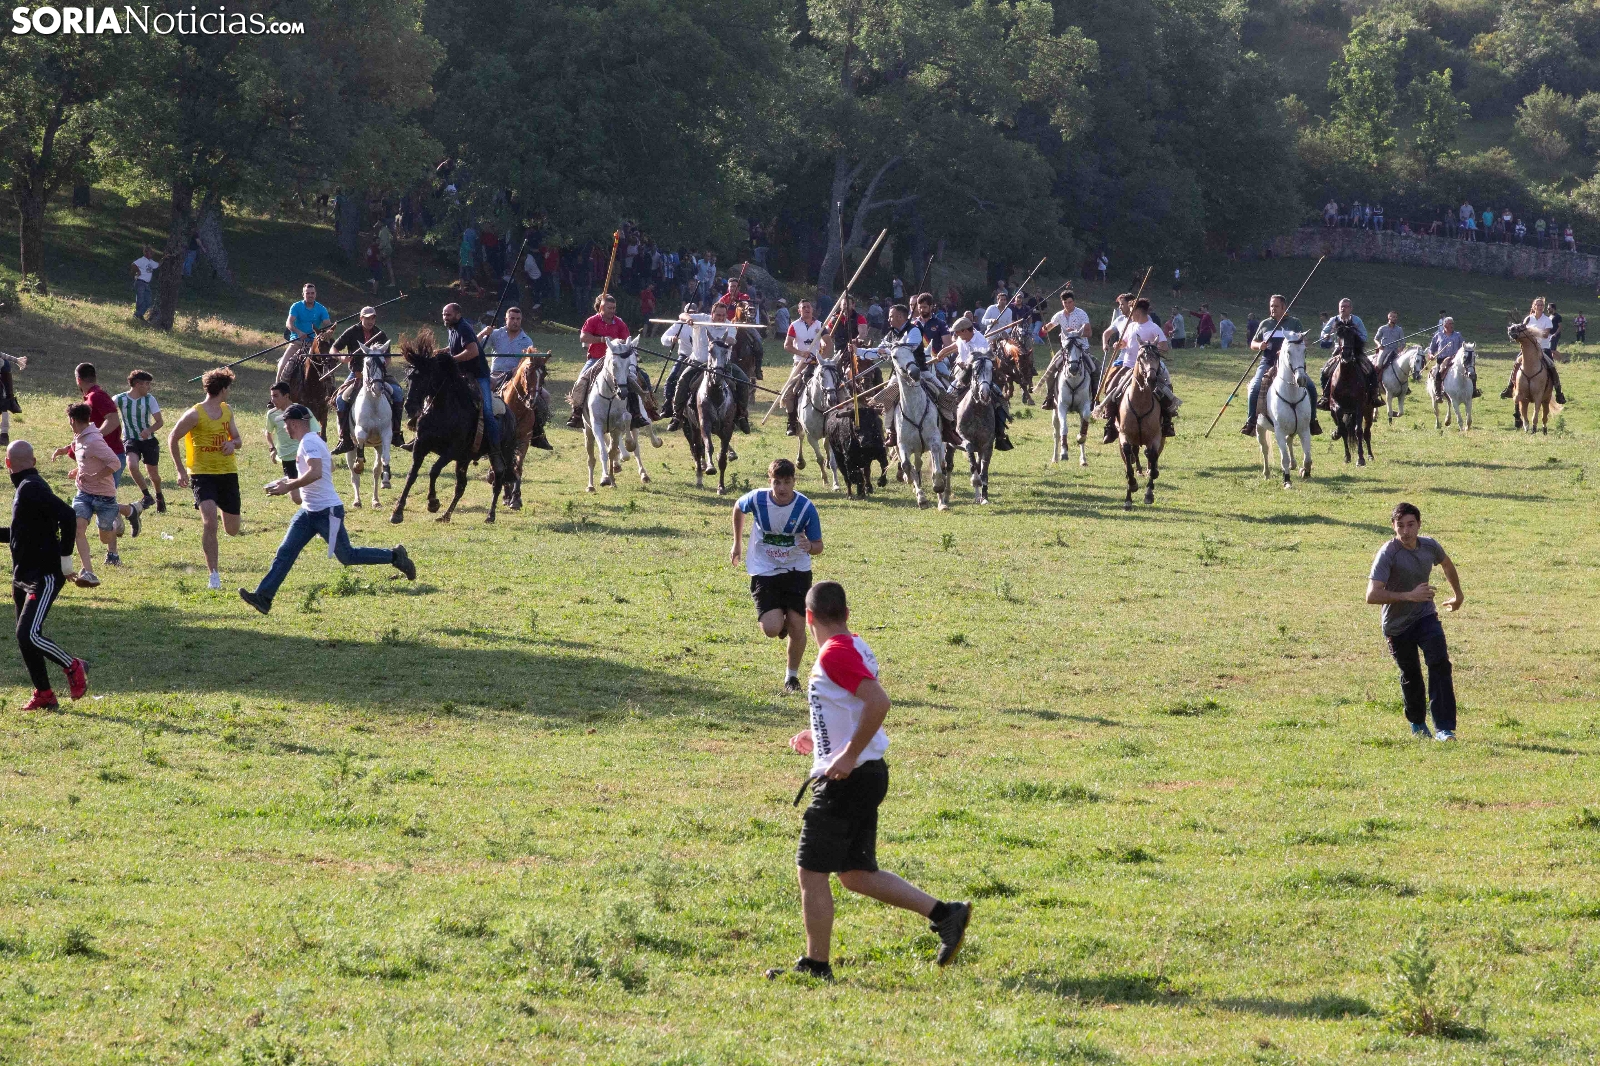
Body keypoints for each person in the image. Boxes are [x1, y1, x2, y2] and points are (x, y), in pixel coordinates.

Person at [768, 579, 971, 981]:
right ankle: (946, 914)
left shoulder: (835, 652)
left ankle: (816, 966)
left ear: (808, 617)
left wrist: (846, 754)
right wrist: (821, 736)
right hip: (864, 774)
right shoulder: (854, 645)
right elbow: (851, 704)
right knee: (855, 874)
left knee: (811, 871)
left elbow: (878, 702)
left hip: (849, 778)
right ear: (845, 613)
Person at [238, 405, 415, 614]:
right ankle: (263, 597)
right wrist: (288, 481)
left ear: (293, 423)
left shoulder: (309, 442)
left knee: (347, 556)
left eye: (285, 424)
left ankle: (395, 556)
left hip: (327, 512)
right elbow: (328, 467)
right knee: (286, 552)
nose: (284, 429)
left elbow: (316, 473)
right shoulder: (313, 441)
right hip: (308, 511)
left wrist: (290, 486)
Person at [0, 440, 89, 709]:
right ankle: (44, 694)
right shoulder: (28, 488)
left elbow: (68, 515)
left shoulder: (31, 487)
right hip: (23, 576)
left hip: (44, 576)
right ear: (35, 462)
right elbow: (20, 534)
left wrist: (65, 560)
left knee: (28, 634)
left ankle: (73, 665)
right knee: (24, 637)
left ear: (7, 464)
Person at [1367, 502, 1463, 741]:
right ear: (1393, 526)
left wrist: (1458, 595)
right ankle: (1418, 724)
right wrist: (1409, 596)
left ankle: (1444, 729)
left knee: (1439, 663)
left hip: (1425, 615)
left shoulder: (1429, 546)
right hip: (1397, 625)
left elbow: (1446, 563)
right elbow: (1372, 595)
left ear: (1419, 524)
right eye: (1400, 525)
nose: (1405, 531)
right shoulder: (1388, 553)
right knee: (1411, 674)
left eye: (1411, 525)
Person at [731, 459, 822, 693]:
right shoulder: (758, 499)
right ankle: (780, 622)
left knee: (798, 628)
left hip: (797, 571)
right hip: (765, 569)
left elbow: (819, 546)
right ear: (769, 481)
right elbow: (738, 507)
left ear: (794, 481)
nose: (782, 488)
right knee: (771, 629)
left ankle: (792, 678)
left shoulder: (805, 507)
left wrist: (810, 546)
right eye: (777, 482)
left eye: (787, 482)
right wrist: (737, 543)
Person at [168, 367, 243, 591]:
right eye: (228, 388)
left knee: (232, 529)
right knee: (210, 523)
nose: (229, 392)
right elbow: (172, 438)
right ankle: (214, 575)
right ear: (223, 389)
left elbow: (238, 439)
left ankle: (221, 506)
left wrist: (232, 444)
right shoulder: (195, 414)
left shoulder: (227, 410)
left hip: (227, 473)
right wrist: (181, 470)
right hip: (202, 475)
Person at [54, 401, 143, 580]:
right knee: (78, 529)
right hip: (83, 494)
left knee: (105, 538)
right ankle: (88, 572)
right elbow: (86, 458)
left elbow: (115, 463)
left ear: (72, 420)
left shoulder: (94, 440)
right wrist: (78, 470)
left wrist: (95, 476)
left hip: (104, 497)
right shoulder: (79, 437)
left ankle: (119, 517)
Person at [1096, 297, 1176, 441]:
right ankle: (1110, 425)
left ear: (1138, 311)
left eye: (1132, 310)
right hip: (1128, 366)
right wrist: (1119, 345)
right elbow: (1126, 343)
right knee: (1111, 387)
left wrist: (1150, 348)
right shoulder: (1131, 326)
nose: (1130, 313)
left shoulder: (1153, 328)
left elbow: (1164, 348)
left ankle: (1167, 423)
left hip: (1149, 367)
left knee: (1166, 389)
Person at [1242, 294, 1322, 437]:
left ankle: (1312, 421)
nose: (1273, 309)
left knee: (1310, 387)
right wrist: (1260, 345)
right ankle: (1251, 422)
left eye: (1276, 306)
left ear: (1284, 307)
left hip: (1290, 365)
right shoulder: (1265, 324)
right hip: (1268, 362)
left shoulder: (1294, 323)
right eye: (1271, 306)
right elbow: (1253, 343)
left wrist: (1296, 344)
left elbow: (1303, 341)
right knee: (1254, 387)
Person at [329, 306, 403, 453]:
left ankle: (396, 433)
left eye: (373, 318)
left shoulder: (380, 334)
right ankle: (345, 439)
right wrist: (342, 358)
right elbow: (333, 349)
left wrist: (382, 364)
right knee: (340, 400)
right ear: (361, 318)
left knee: (398, 393)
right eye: (367, 318)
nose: (370, 321)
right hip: (357, 374)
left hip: (378, 377)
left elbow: (388, 358)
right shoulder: (351, 332)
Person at [438, 302, 503, 459]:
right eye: (444, 314)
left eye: (448, 314)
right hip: (460, 375)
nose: (445, 317)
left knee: (487, 411)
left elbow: (473, 352)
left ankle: (496, 450)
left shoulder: (464, 328)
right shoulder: (452, 327)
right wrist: (441, 352)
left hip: (478, 375)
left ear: (458, 315)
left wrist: (451, 360)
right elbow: (455, 347)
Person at [937, 315, 1011, 449]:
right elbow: (956, 344)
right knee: (947, 396)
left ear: (965, 330)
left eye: (957, 332)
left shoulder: (981, 341)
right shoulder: (962, 338)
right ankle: (947, 429)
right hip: (963, 374)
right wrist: (944, 351)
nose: (955, 334)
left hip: (980, 374)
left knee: (1000, 399)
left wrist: (965, 364)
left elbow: (982, 360)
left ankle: (1000, 434)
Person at [566, 294, 633, 428]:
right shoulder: (592, 320)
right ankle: (577, 413)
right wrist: (601, 339)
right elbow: (583, 337)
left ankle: (638, 412)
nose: (612, 311)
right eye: (609, 308)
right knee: (581, 381)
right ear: (601, 308)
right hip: (596, 359)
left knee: (636, 379)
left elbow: (627, 341)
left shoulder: (619, 322)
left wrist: (621, 342)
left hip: (615, 360)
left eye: (614, 308)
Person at [113, 370, 165, 513]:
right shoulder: (119, 399)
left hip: (149, 441)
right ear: (137, 384)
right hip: (130, 439)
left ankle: (159, 495)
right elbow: (106, 412)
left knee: (154, 475)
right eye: (147, 384)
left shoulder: (149, 399)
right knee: (132, 465)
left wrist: (149, 430)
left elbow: (160, 422)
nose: (149, 387)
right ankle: (147, 495)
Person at [1501, 296, 1568, 405]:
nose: (1540, 307)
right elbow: (1522, 332)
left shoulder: (1547, 320)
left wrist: (1531, 332)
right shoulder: (1528, 319)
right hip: (1528, 348)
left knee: (1551, 366)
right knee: (1516, 363)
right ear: (1534, 306)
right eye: (1538, 305)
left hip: (1543, 348)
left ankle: (1558, 392)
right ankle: (1509, 387)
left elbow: (1545, 335)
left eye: (1542, 305)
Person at [1316, 298, 1375, 415]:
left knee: (1370, 368)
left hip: (1355, 350)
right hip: (1339, 351)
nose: (1343, 308)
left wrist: (1352, 334)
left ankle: (1373, 395)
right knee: (1325, 371)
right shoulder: (1334, 320)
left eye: (1346, 306)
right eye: (1341, 306)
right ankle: (1326, 396)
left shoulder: (1357, 320)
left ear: (1351, 308)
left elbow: (1364, 336)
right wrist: (1326, 335)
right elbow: (1323, 333)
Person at [265, 382, 322, 500]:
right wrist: (272, 448)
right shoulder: (272, 414)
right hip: (287, 458)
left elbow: (316, 432)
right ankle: (285, 482)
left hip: (303, 456)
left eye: (276, 396)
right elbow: (268, 432)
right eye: (271, 396)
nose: (272, 400)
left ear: (286, 396)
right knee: (296, 498)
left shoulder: (301, 411)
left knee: (309, 492)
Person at [1040, 290, 1093, 410]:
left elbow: (1089, 332)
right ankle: (1049, 398)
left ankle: (1094, 399)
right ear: (1062, 302)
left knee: (1095, 370)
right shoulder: (1059, 315)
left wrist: (1075, 332)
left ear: (1073, 302)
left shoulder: (1081, 314)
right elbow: (1048, 327)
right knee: (1049, 372)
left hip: (1081, 348)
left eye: (1070, 302)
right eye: (1065, 303)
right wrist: (1045, 328)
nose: (1068, 305)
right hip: (1066, 349)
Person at [781, 300, 826, 436]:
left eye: (809, 307)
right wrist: (801, 353)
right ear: (799, 311)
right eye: (804, 307)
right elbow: (787, 345)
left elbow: (827, 341)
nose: (807, 309)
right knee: (788, 394)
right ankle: (792, 422)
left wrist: (824, 346)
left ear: (812, 309)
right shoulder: (794, 325)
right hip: (800, 364)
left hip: (818, 364)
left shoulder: (820, 325)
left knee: (832, 387)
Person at [482, 306, 539, 394]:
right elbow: (476, 347)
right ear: (506, 319)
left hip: (516, 376)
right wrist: (483, 333)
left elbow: (528, 362)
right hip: (496, 375)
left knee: (545, 396)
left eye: (518, 319)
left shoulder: (527, 341)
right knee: (482, 390)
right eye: (512, 318)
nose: (515, 321)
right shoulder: (495, 334)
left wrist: (519, 369)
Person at [1427, 317, 1477, 397]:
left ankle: (1474, 390)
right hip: (1442, 360)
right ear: (1445, 325)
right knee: (1438, 373)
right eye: (1450, 323)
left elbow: (1463, 347)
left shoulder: (1458, 335)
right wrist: (1431, 355)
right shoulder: (1438, 335)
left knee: (1471, 370)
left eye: (1453, 323)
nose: (1452, 325)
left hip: (1455, 360)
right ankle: (1438, 394)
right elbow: (1431, 349)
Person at [1372, 311, 1407, 379]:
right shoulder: (1382, 328)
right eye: (1393, 317)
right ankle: (1376, 380)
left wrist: (1401, 348)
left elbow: (1403, 342)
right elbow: (1375, 339)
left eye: (1396, 317)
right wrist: (1379, 345)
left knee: (1403, 364)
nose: (1395, 318)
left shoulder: (1399, 329)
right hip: (1384, 350)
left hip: (1395, 351)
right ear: (1389, 317)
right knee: (1379, 364)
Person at [131, 246, 160, 322]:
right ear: (146, 253)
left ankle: (139, 314)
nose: (152, 254)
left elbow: (158, 265)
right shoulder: (142, 260)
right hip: (140, 282)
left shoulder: (151, 262)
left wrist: (165, 258)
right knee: (140, 299)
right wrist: (138, 271)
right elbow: (133, 264)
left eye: (152, 253)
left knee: (148, 301)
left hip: (146, 284)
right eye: (150, 252)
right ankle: (137, 315)